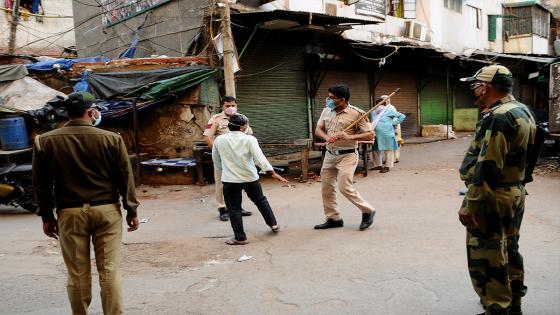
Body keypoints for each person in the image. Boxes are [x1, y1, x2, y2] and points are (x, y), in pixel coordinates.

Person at [32, 91, 140, 315]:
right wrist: (131, 210)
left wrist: (46, 216)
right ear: (91, 112)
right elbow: (125, 178)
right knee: (109, 271)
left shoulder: (44, 141)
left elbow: (41, 185)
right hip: (106, 211)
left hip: (69, 213)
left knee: (77, 274)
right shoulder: (111, 139)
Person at [458, 65, 536, 315]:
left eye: (475, 85)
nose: (474, 90)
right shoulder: (521, 110)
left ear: (486, 87)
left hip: (493, 196)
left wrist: (470, 204)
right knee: (508, 248)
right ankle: (513, 304)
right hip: (514, 191)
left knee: (488, 255)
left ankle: (497, 307)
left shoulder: (499, 117)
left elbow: (488, 166)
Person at [212, 114, 288, 245]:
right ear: (242, 127)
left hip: (230, 180)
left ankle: (240, 238)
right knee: (260, 200)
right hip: (250, 178)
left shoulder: (219, 140)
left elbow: (216, 160)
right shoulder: (250, 139)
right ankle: (273, 224)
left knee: (234, 208)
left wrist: (224, 170)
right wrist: (272, 172)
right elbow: (260, 158)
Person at [314, 84, 376, 231]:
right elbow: (318, 129)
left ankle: (368, 210)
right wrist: (327, 137)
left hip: (347, 155)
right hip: (330, 154)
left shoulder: (357, 114)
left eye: (331, 98)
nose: (328, 100)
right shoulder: (326, 111)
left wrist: (350, 136)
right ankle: (333, 218)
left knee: (344, 187)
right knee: (326, 188)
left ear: (342, 100)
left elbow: (370, 134)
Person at [204, 96, 253, 221]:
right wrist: (217, 151)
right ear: (223, 106)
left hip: (239, 157)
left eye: (233, 105)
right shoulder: (216, 119)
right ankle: (222, 209)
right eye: (227, 106)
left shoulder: (242, 118)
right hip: (222, 158)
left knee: (239, 181)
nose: (230, 108)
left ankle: (237, 207)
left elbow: (249, 135)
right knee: (221, 183)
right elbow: (208, 137)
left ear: (236, 106)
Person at [370, 95, 406, 173]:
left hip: (387, 134)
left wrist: (394, 123)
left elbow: (402, 116)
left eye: (381, 104)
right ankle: (378, 165)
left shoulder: (389, 111)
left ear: (385, 105)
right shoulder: (373, 112)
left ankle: (387, 166)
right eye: (378, 104)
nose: (379, 106)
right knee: (375, 150)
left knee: (388, 150)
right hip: (376, 134)